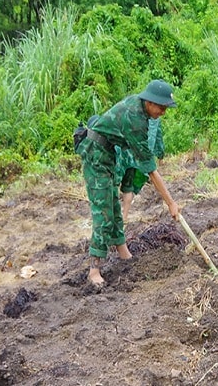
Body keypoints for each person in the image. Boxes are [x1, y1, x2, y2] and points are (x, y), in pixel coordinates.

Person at [76, 80, 181, 287]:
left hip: (107, 155)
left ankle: (124, 255)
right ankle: (94, 269)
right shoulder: (135, 119)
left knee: (114, 207)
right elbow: (150, 169)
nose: (163, 112)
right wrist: (170, 203)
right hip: (95, 155)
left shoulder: (140, 108)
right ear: (150, 102)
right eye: (161, 107)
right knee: (104, 210)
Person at [117, 117, 165, 228]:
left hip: (124, 154)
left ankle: (117, 218)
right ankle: (123, 217)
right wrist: (160, 154)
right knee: (128, 186)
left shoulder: (133, 111)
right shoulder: (155, 119)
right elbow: (157, 138)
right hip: (140, 158)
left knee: (116, 183)